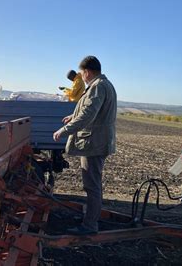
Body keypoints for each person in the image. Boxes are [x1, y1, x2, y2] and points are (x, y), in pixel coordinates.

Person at [53, 55, 117, 234]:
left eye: (81, 73)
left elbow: (88, 114)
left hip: (94, 143)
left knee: (92, 185)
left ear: (87, 72)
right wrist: (72, 116)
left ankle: (90, 226)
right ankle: (90, 218)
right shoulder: (103, 85)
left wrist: (64, 130)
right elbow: (91, 110)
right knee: (92, 184)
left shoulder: (97, 87)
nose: (81, 76)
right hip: (96, 141)